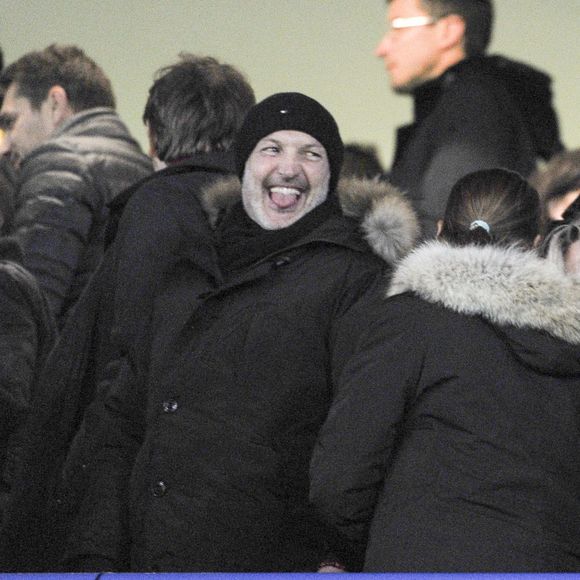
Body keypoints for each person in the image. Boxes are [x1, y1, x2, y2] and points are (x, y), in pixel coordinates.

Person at [60, 92, 419, 572]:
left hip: (276, 562)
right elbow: (120, 422)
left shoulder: (354, 279)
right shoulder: (187, 268)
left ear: (330, 177)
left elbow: (364, 437)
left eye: (310, 154)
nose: (289, 169)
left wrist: (338, 554)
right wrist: (94, 551)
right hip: (150, 558)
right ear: (244, 164)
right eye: (271, 148)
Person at [0, 53, 255, 571]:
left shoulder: (147, 203)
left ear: (156, 137)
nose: (6, 143)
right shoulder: (262, 215)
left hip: (134, 477)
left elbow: (73, 336)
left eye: (8, 121)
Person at [310, 168, 580, 572]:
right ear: (536, 244)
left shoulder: (407, 323)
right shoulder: (569, 341)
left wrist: (365, 549)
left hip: (421, 561)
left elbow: (342, 475)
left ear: (439, 230)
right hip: (548, 565)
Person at [376, 0, 563, 237]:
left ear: (449, 31)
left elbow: (450, 234)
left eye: (398, 27)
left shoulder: (472, 107)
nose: (382, 48)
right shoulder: (473, 102)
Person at [0, 44, 152, 324]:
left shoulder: (59, 161)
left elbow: (26, 310)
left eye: (10, 122)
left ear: (56, 103)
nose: (6, 146)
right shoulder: (141, 166)